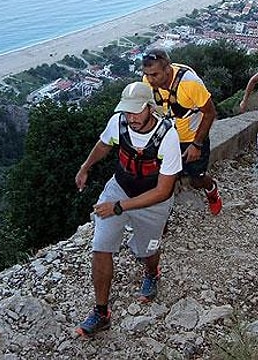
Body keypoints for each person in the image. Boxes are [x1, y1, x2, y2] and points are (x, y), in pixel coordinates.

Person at [73, 81, 183, 338]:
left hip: (152, 201)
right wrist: (85, 167)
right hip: (119, 188)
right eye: (127, 111)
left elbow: (163, 191)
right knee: (101, 246)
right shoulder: (119, 123)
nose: (131, 117)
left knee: (148, 249)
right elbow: (103, 145)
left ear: (150, 108)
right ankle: (101, 313)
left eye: (136, 111)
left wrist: (119, 207)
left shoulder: (168, 136)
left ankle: (151, 272)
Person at [140, 48, 222, 215]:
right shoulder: (147, 82)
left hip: (192, 138)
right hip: (166, 137)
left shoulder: (190, 84)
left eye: (154, 74)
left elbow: (210, 112)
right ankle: (161, 217)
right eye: (147, 74)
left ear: (168, 69)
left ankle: (211, 189)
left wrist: (196, 145)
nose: (149, 79)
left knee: (196, 179)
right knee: (161, 179)